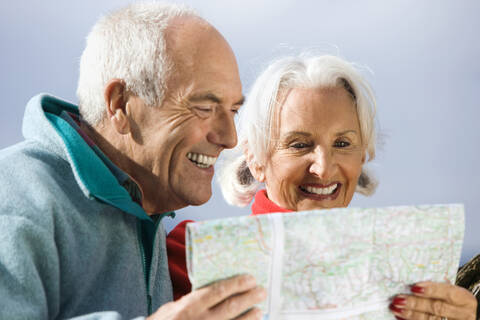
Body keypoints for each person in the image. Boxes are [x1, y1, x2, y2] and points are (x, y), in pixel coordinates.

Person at [0, 3, 266, 319]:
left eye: (233, 111)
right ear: (120, 104)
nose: (229, 137)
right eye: (205, 108)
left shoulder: (145, 207)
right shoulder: (14, 200)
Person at [167, 54, 478, 319]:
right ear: (256, 159)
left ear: (363, 155)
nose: (324, 167)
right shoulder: (194, 255)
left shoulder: (417, 265)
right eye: (299, 144)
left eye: (343, 143)